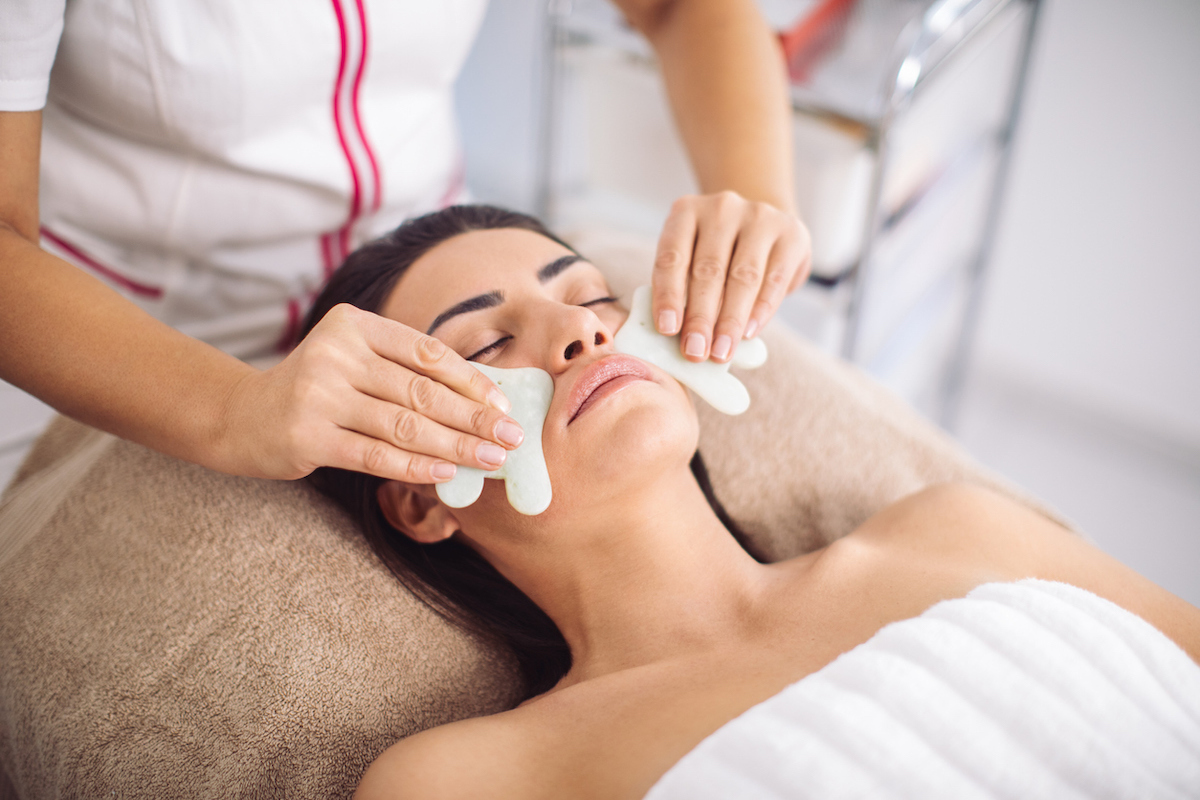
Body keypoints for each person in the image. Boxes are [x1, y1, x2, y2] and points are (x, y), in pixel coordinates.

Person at [297, 205, 1200, 799]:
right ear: (421, 501)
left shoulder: (956, 527)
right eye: (489, 345)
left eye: (594, 298)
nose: (581, 331)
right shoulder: (471, 779)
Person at [0, 0, 811, 488]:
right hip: (130, 351)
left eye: (587, 297)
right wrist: (231, 410)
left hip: (425, 265)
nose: (587, 334)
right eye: (501, 334)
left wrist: (761, 202)